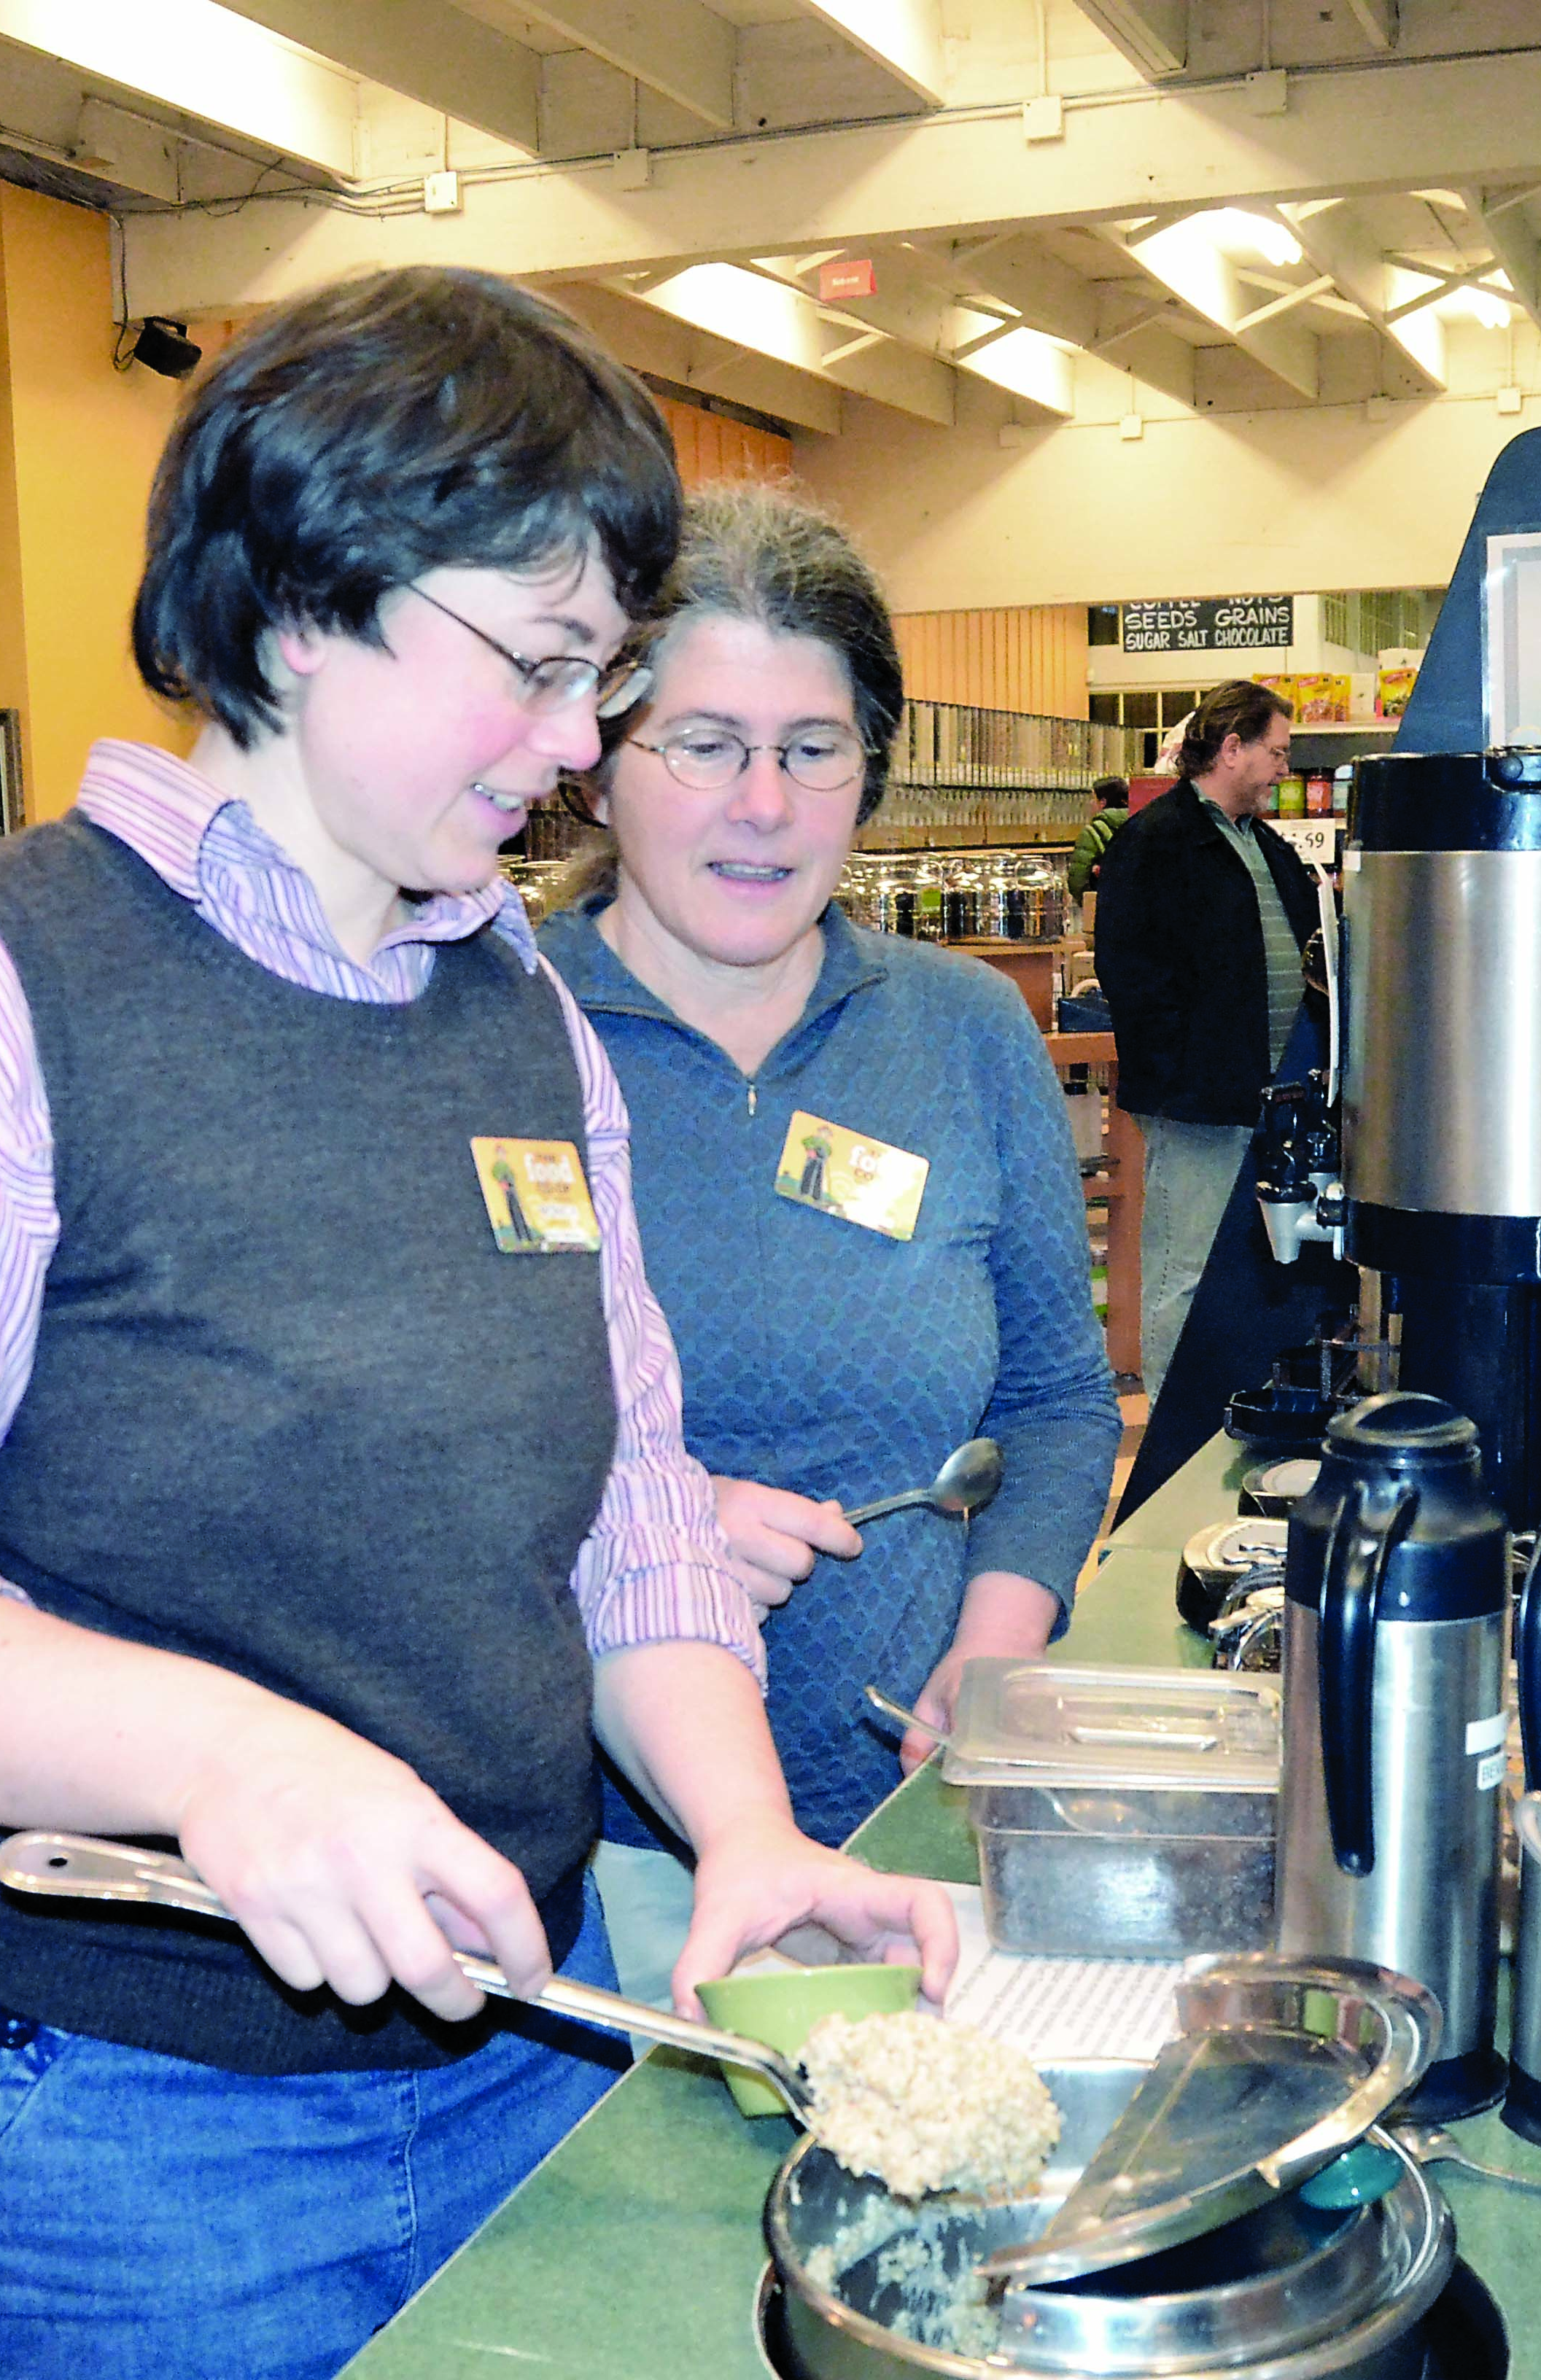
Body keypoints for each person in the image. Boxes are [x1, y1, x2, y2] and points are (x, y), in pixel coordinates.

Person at [0, 269, 952, 2380]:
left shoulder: (517, 1004)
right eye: (541, 670)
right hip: (107, 2134)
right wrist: (230, 1761)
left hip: (526, 2053)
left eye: (599, 678)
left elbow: (625, 1495)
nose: (571, 751)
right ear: (299, 602)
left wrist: (744, 1839)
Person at [535, 486, 1119, 1991]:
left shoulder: (963, 1033)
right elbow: (398, 1453)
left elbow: (1053, 1400)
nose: (764, 806)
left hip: (913, 1825)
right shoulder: (487, 1035)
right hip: (590, 1867)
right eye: (707, 747)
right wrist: (647, 1520)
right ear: (599, 764)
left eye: (812, 752)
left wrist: (993, 1648)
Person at [1090, 677, 1323, 1408]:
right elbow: (1129, 972)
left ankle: (1235, 1404)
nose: (1284, 769)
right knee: (1181, 1266)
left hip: (1267, 1098)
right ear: (1231, 748)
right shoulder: (1157, 840)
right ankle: (1171, 1416)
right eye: (1275, 753)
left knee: (1250, 1264)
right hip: (1199, 1100)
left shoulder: (1261, 842)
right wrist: (1178, 1076)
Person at [1068, 772, 1131, 898]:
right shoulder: (1140, 822)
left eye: (1093, 799)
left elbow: (1078, 881)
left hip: (1106, 903)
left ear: (1103, 802)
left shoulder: (1092, 832)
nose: (1091, 803)